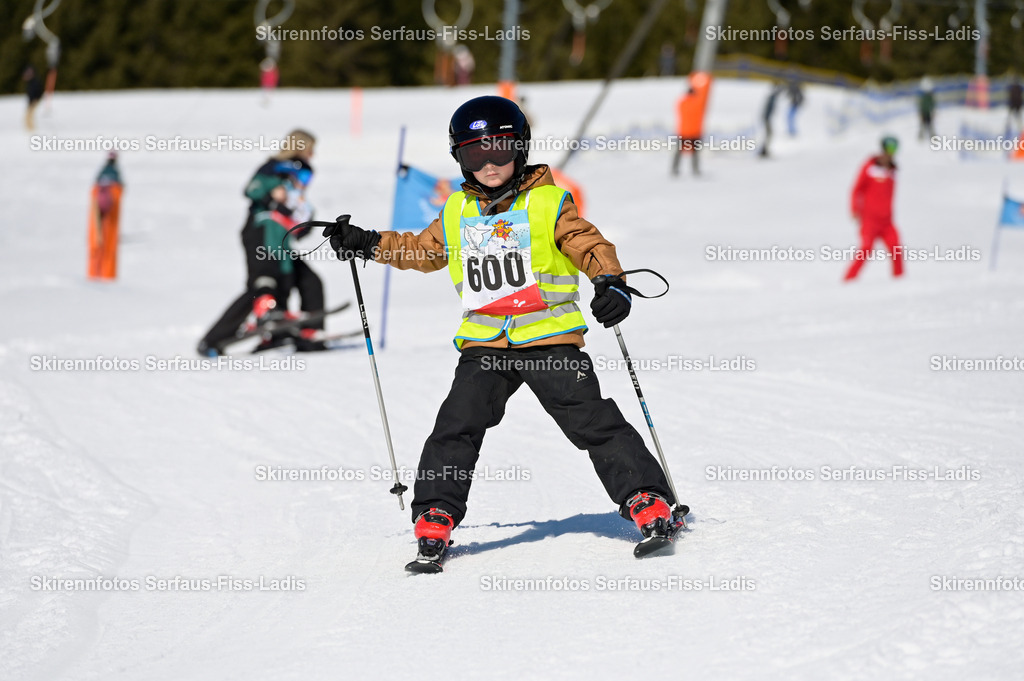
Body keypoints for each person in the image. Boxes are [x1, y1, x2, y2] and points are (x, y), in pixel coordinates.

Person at [324, 96, 681, 565]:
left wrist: (610, 282)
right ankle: (436, 513)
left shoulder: (549, 202)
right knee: (456, 425)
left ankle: (646, 499)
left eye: (500, 149)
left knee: (592, 420)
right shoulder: (457, 210)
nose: (490, 163)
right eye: (475, 154)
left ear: (521, 148)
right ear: (460, 158)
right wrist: (368, 244)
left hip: (548, 337)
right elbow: (423, 250)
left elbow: (586, 242)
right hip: (485, 344)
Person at [197, 130, 325, 355]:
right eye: (309, 148)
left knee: (309, 281)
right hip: (260, 234)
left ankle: (308, 334)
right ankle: (214, 339)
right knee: (263, 285)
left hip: (282, 239)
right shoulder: (272, 169)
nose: (312, 154)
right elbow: (251, 190)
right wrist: (271, 194)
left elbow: (301, 209)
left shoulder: (302, 174)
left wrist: (304, 222)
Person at [844, 135, 904, 282]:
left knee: (896, 249)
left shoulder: (893, 170)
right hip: (869, 220)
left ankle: (899, 281)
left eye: (894, 149)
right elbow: (856, 189)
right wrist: (854, 209)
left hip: (887, 220)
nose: (891, 152)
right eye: (888, 148)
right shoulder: (870, 167)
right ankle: (848, 280)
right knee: (865, 250)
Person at [672, 79, 703, 177]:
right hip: (694, 132)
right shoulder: (697, 103)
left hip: (683, 131)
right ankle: (695, 169)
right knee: (695, 153)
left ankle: (674, 168)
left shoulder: (682, 103)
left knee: (679, 152)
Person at [758, 82, 784, 158]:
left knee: (769, 134)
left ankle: (764, 150)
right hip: (767, 119)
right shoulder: (772, 97)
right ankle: (764, 150)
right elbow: (767, 110)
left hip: (767, 118)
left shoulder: (772, 97)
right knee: (769, 134)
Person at [23, 66, 44, 131]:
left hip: (34, 101)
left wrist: (36, 99)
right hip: (32, 101)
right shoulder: (31, 82)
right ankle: (30, 128)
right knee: (28, 115)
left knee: (29, 115)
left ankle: (31, 129)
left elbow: (39, 91)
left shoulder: (35, 82)